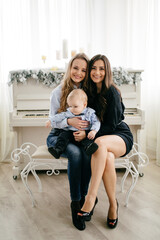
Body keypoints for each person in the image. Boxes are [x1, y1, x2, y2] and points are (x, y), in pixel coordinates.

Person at [76, 54, 133, 230]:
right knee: (106, 156)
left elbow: (111, 125)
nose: (97, 72)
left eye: (101, 68)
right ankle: (112, 205)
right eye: (93, 68)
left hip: (119, 136)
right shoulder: (89, 93)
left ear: (106, 71)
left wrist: (88, 134)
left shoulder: (113, 92)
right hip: (102, 139)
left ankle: (91, 197)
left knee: (100, 144)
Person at [46, 53, 92, 231]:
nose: (78, 72)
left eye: (83, 70)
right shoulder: (58, 92)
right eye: (75, 68)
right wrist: (69, 122)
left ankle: (85, 199)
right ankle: (75, 205)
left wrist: (84, 131)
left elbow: (92, 116)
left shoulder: (88, 92)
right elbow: (52, 119)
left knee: (86, 154)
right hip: (59, 136)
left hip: (79, 136)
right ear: (69, 68)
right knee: (74, 153)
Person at [48, 89, 100, 159]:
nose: (72, 109)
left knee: (88, 139)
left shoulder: (89, 113)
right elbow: (59, 116)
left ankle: (89, 147)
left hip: (83, 134)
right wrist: (51, 120)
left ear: (84, 105)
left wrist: (93, 131)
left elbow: (96, 122)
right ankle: (58, 150)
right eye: (70, 106)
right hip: (70, 133)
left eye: (75, 106)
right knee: (62, 136)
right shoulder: (69, 112)